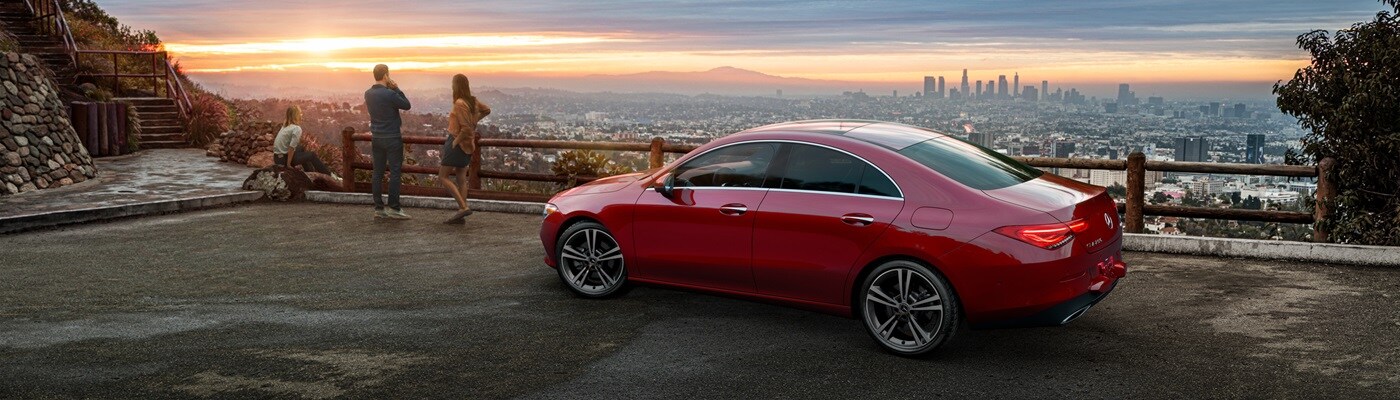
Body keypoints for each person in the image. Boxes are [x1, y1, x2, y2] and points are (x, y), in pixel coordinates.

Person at [439, 73, 491, 224]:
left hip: (458, 142)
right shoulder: (472, 101)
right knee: (461, 178)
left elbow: (466, 128)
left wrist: (455, 142)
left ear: (456, 86)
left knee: (443, 177)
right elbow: (487, 110)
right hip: (469, 145)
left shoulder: (460, 103)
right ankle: (463, 209)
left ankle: (462, 207)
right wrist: (475, 119)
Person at [365, 64, 412, 219]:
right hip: (392, 137)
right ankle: (394, 208)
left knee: (377, 173)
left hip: (376, 137)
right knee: (395, 173)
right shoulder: (390, 94)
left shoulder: (368, 94)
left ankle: (379, 209)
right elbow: (407, 105)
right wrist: (396, 88)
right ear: (386, 75)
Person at [272, 106, 332, 175]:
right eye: (300, 113)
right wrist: (288, 165)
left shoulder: (285, 126)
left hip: (277, 158)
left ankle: (309, 172)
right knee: (312, 155)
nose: (301, 115)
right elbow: (291, 148)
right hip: (283, 161)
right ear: (296, 116)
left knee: (300, 148)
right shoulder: (296, 129)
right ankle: (328, 175)